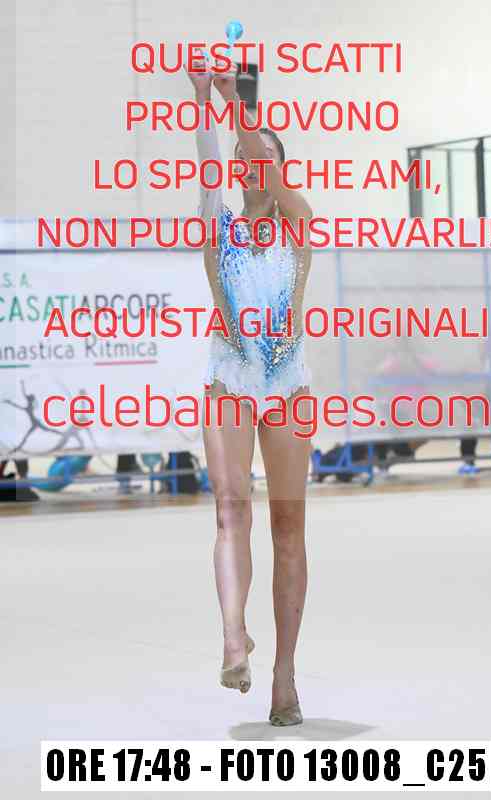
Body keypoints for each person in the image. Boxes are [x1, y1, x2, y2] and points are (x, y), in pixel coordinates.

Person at [186, 55, 313, 726]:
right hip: (232, 376)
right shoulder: (219, 222)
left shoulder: (298, 222)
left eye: (260, 157)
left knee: (287, 526)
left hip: (287, 383)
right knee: (230, 506)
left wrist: (237, 103)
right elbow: (213, 157)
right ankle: (234, 636)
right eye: (241, 159)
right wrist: (202, 97)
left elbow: (255, 147)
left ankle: (284, 673)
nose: (246, 165)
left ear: (278, 168)